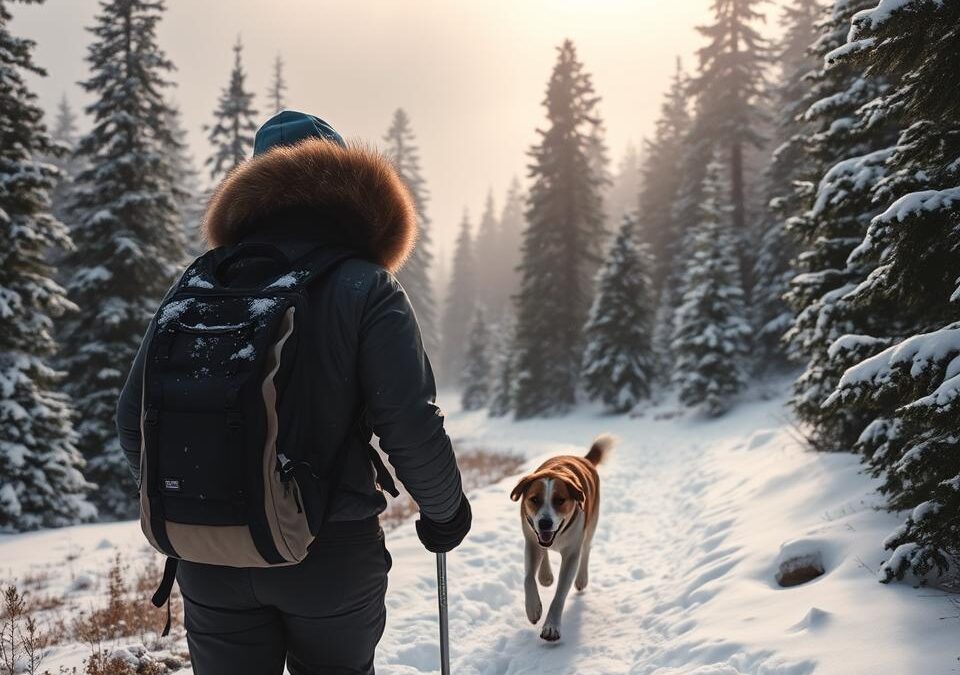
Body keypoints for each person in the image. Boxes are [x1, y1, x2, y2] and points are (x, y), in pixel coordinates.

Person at [116, 110, 471, 675]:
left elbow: (132, 422)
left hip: (211, 558)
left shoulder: (200, 280)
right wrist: (445, 511)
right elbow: (408, 421)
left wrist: (200, 500)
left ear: (249, 188)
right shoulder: (367, 285)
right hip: (328, 556)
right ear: (352, 186)